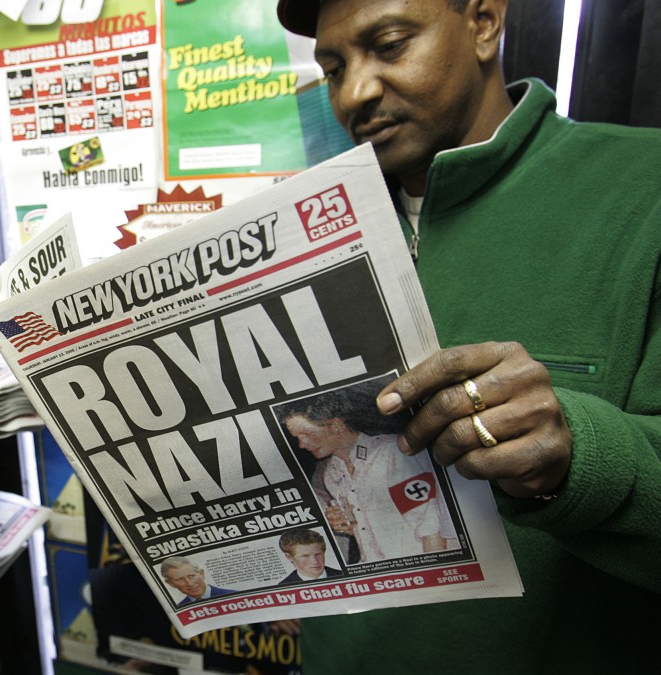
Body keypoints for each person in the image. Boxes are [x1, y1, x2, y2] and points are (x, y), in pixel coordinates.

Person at [274, 0, 661, 671]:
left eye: (390, 44)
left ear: (483, 21)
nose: (355, 93)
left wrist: (579, 452)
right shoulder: (302, 232)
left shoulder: (642, 194)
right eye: (333, 69)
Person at [281, 385, 458, 562]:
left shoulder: (390, 452)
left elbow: (431, 527)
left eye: (307, 434)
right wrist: (348, 527)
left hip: (417, 562)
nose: (302, 444)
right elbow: (369, 529)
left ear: (336, 425)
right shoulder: (331, 474)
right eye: (297, 437)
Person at [158, 556, 231, 607]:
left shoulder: (231, 595)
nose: (189, 583)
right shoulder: (180, 607)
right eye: (180, 579)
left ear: (201, 574)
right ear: (171, 583)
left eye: (191, 576)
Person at [277, 529, 342, 585]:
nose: (315, 561)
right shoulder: (283, 586)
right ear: (289, 557)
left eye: (318, 554)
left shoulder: (341, 574)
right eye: (305, 556)